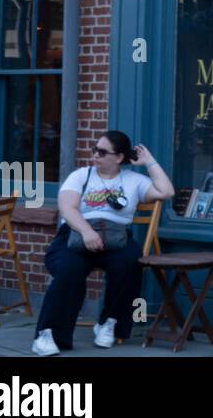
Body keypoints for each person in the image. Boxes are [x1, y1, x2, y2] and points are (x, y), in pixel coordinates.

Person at [33, 131, 174, 355]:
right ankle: (48, 333)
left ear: (119, 157)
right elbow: (67, 208)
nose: (95, 155)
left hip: (115, 238)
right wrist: (87, 231)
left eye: (101, 152)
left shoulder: (134, 180)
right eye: (94, 150)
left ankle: (109, 323)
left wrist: (150, 162)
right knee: (70, 269)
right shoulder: (81, 175)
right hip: (76, 233)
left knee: (130, 262)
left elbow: (167, 191)